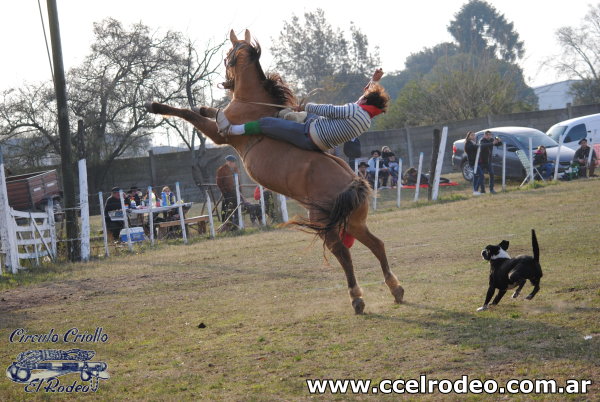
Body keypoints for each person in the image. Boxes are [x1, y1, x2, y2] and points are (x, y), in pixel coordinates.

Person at [214, 69, 390, 152]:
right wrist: (374, 81)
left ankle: (231, 130)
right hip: (322, 139)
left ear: (367, 100)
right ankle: (286, 117)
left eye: (364, 96)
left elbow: (328, 110)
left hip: (310, 135)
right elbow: (362, 99)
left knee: (266, 123)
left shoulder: (354, 110)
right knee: (301, 116)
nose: (361, 97)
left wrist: (304, 106)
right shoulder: (365, 119)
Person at [216, 155, 241, 226]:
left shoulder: (236, 169)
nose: (233, 164)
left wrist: (239, 190)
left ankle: (236, 223)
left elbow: (238, 180)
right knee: (227, 207)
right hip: (227, 192)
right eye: (232, 162)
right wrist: (224, 192)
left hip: (235, 191)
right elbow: (219, 183)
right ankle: (225, 223)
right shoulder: (221, 170)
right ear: (228, 162)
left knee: (237, 206)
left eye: (233, 162)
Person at [464, 131, 484, 196]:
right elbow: (472, 148)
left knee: (476, 176)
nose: (473, 136)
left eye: (474, 135)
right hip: (473, 163)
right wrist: (478, 145)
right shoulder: (468, 144)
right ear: (468, 136)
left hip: (477, 162)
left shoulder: (474, 143)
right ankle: (475, 190)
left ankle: (475, 191)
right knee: (481, 175)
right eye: (472, 135)